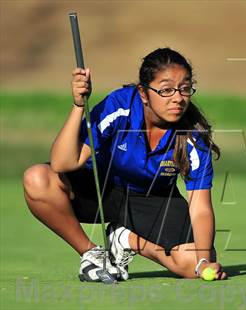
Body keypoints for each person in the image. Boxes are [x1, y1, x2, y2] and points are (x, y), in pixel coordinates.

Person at [22, 47, 228, 282]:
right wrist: (79, 106)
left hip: (153, 199)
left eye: (184, 88)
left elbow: (200, 206)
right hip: (102, 190)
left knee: (193, 263)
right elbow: (62, 162)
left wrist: (202, 261)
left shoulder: (193, 135)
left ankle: (124, 240)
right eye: (166, 90)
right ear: (143, 92)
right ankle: (92, 254)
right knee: (37, 178)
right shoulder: (120, 106)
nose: (178, 98)